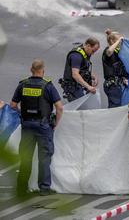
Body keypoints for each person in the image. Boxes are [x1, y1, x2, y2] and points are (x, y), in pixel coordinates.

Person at [10, 59, 63, 197]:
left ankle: (21, 188)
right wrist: (55, 123)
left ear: (31, 69)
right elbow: (59, 107)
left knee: (26, 157)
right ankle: (44, 188)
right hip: (43, 126)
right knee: (44, 157)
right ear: (43, 71)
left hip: (27, 125)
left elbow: (13, 105)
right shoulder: (48, 86)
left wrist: (23, 115)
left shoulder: (23, 85)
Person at [60, 37, 100, 102]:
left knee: (84, 104)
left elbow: (83, 69)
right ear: (88, 45)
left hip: (78, 84)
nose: (93, 54)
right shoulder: (76, 56)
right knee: (80, 107)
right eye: (93, 51)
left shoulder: (85, 52)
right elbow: (75, 74)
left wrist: (93, 77)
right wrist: (88, 87)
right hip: (72, 86)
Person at [102, 29, 129, 108]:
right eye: (118, 40)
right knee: (115, 107)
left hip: (117, 85)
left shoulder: (118, 53)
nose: (120, 42)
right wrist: (118, 40)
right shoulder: (107, 51)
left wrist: (124, 78)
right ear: (112, 41)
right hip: (112, 85)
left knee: (116, 106)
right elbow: (110, 51)